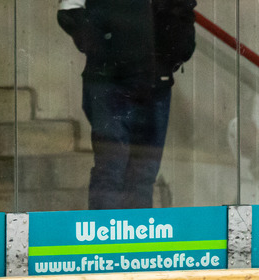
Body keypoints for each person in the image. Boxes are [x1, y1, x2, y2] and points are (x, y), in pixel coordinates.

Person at [58, 0, 197, 210]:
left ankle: (135, 239)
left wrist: (175, 51)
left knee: (143, 175)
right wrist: (106, 46)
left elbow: (182, 9)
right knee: (111, 171)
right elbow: (68, 9)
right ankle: (105, 239)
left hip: (154, 84)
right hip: (110, 84)